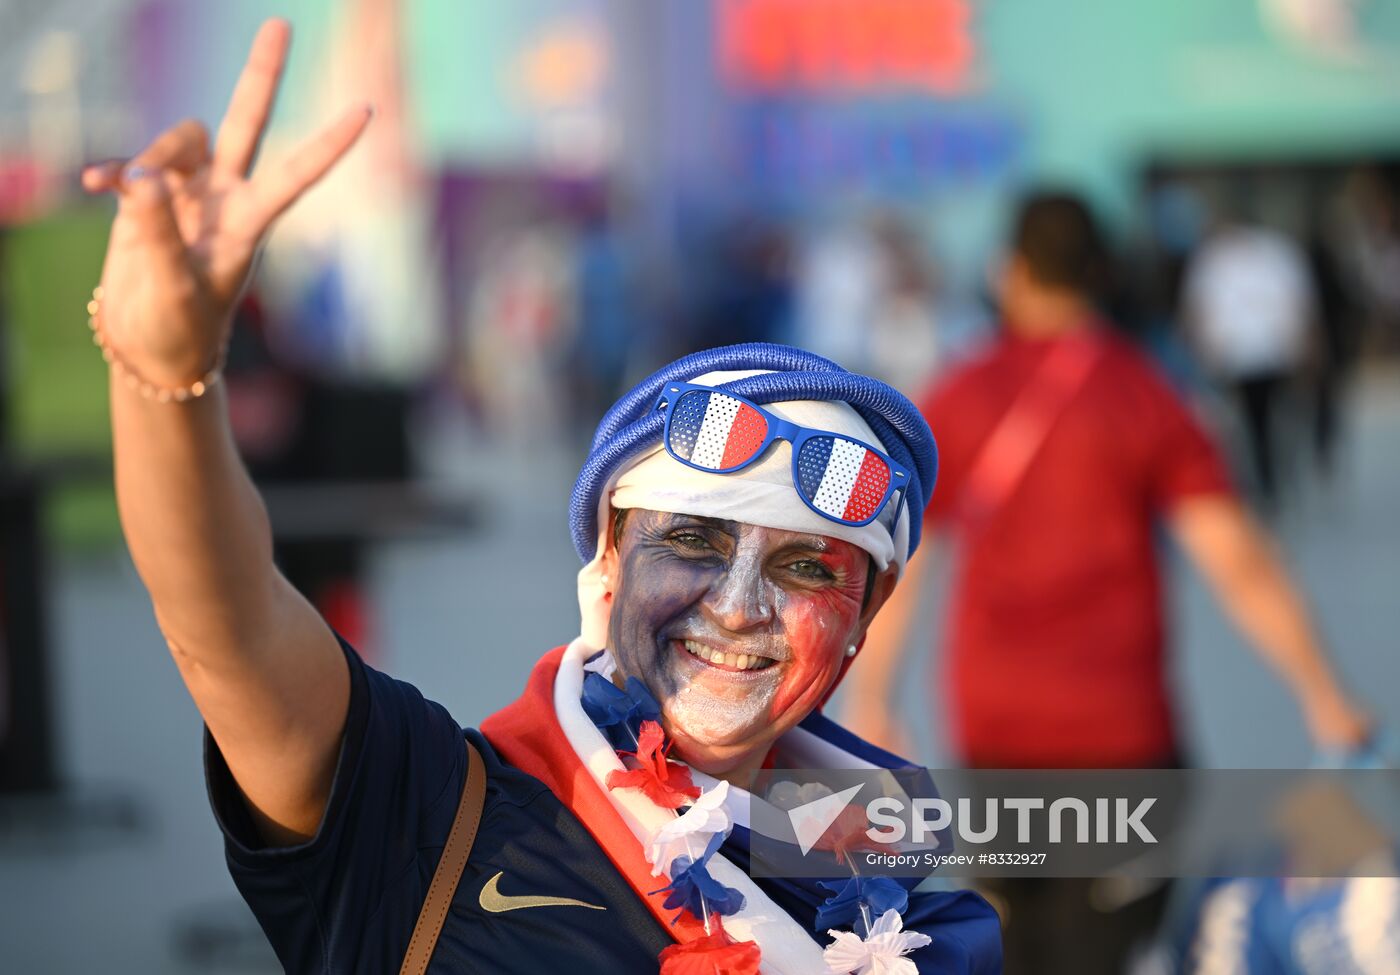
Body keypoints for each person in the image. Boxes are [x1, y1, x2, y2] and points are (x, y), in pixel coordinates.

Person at [83, 20, 1000, 974]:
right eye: (690, 538)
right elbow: (224, 624)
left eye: (806, 564)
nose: (737, 606)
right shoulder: (423, 813)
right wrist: (167, 381)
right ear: (605, 561)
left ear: (864, 619)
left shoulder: (925, 918)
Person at [842, 192, 1370, 973]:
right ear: (1100, 274)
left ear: (1009, 272)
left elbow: (901, 570)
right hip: (1123, 743)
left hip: (995, 743)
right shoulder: (1147, 394)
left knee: (1014, 947)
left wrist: (872, 705)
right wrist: (1326, 694)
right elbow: (1238, 562)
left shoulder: (961, 394)